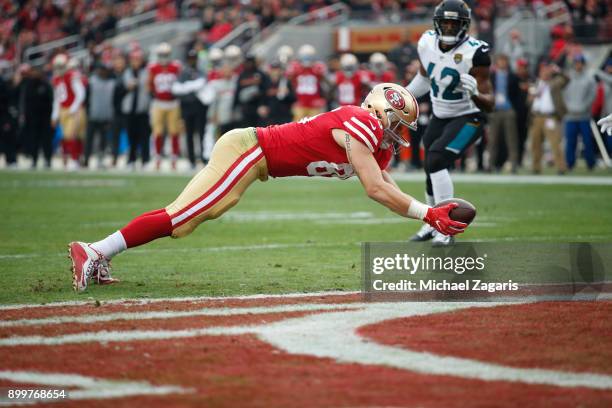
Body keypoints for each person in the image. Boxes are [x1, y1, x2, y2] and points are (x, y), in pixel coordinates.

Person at [67, 83, 468, 291]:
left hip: (258, 162)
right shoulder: (358, 122)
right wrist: (429, 214)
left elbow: (387, 189)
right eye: (396, 124)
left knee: (188, 219)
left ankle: (101, 253)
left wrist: (428, 215)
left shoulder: (373, 143)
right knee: (184, 217)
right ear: (379, 114)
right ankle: (95, 250)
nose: (398, 135)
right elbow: (376, 191)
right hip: (250, 149)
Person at [405, 0, 494, 246]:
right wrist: (402, 97)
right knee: (429, 165)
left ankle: (447, 228)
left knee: (436, 159)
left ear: (464, 25)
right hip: (441, 115)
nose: (449, 27)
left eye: (454, 23)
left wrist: (476, 93)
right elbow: (423, 80)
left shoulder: (476, 52)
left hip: (470, 116)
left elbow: (491, 103)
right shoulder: (426, 42)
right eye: (444, 22)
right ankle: (432, 222)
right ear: (436, 23)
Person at [528, 60, 569, 174]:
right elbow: (529, 101)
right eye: (543, 71)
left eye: (547, 71)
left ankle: (561, 167)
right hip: (536, 117)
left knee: (555, 143)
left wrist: (558, 70)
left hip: (550, 117)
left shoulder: (555, 83)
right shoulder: (536, 83)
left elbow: (567, 79)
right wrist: (532, 97)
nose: (544, 73)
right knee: (535, 144)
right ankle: (536, 168)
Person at [148, 42, 182, 170]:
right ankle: (157, 157)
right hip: (159, 102)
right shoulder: (153, 68)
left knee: (174, 131)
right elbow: (149, 84)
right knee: (158, 131)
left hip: (173, 103)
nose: (163, 57)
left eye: (165, 54)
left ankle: (174, 158)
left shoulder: (176, 67)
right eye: (161, 54)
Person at [173, 49, 208, 169]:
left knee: (201, 133)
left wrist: (186, 87)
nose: (192, 61)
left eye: (194, 58)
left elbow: (202, 84)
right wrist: (192, 86)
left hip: (199, 107)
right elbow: (176, 89)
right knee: (189, 134)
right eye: (190, 58)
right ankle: (191, 160)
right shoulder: (183, 72)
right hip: (187, 106)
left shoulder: (200, 72)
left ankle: (203, 158)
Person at [51, 53, 86, 170]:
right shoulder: (56, 79)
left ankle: (75, 159)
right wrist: (55, 115)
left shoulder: (71, 75)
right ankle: (69, 159)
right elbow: (57, 98)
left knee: (72, 135)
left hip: (74, 109)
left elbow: (80, 93)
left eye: (61, 65)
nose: (59, 68)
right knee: (65, 136)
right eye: (57, 66)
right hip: (63, 109)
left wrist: (74, 108)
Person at [563, 54, 597, 171]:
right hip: (570, 115)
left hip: (584, 115)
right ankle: (570, 164)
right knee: (570, 141)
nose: (578, 65)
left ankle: (590, 164)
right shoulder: (568, 77)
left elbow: (592, 95)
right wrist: (567, 107)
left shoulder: (589, 78)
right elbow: (563, 94)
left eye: (580, 62)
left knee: (587, 140)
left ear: (583, 64)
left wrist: (585, 106)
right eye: (576, 63)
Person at [488, 54, 520, 173]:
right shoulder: (491, 76)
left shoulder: (512, 77)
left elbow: (517, 96)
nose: (502, 63)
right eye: (500, 61)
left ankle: (513, 165)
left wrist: (514, 109)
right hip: (495, 110)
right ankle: (490, 165)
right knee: (493, 140)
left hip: (508, 109)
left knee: (511, 139)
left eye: (504, 61)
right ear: (497, 62)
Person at [18, 65, 54, 169]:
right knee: (33, 140)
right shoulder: (28, 85)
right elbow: (24, 102)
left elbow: (51, 101)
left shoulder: (46, 85)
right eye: (34, 72)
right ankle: (34, 160)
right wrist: (24, 114)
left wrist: (50, 116)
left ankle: (47, 160)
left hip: (45, 118)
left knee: (46, 140)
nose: (35, 74)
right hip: (32, 118)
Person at [121, 49, 151, 169]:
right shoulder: (127, 72)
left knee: (144, 136)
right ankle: (131, 159)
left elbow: (148, 86)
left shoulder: (146, 72)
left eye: (137, 59)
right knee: (131, 136)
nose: (136, 62)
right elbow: (125, 86)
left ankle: (145, 160)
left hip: (142, 109)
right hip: (130, 109)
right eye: (134, 60)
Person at [84, 63, 115, 169]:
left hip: (106, 116)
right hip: (93, 115)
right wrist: (87, 112)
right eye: (101, 69)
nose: (102, 72)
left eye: (104, 70)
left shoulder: (112, 82)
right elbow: (86, 98)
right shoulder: (92, 81)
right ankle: (86, 160)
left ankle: (100, 160)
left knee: (103, 141)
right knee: (89, 139)